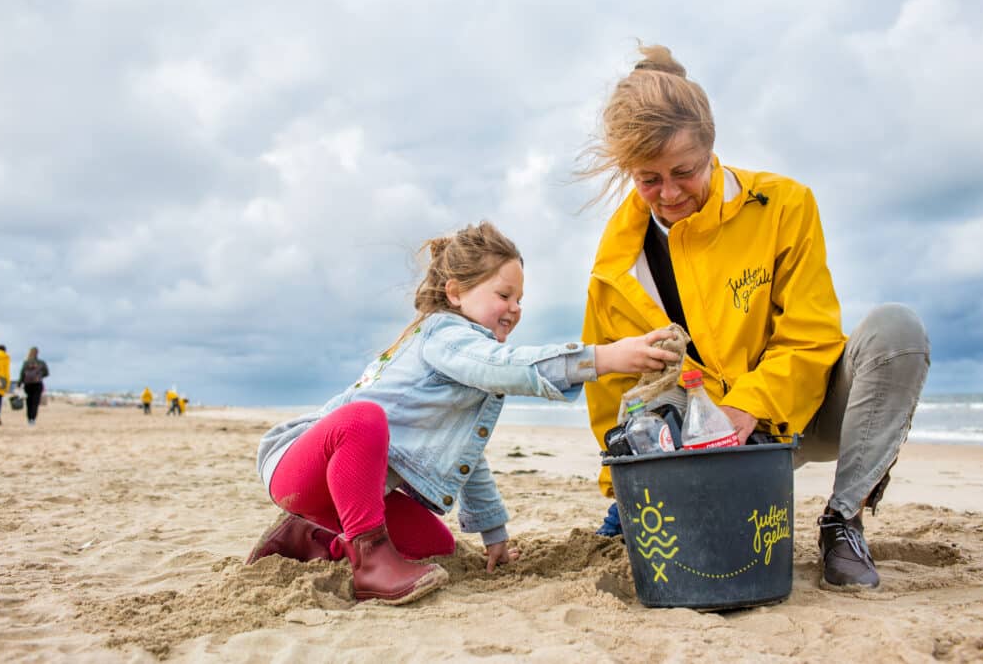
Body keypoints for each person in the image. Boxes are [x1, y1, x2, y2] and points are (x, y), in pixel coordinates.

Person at [578, 44, 930, 591]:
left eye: (683, 172)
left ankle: (842, 521)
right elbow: (613, 388)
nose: (668, 194)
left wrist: (749, 406)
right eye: (648, 179)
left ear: (711, 148)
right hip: (704, 451)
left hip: (801, 414)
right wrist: (622, 490)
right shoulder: (616, 263)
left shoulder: (786, 204)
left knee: (897, 330)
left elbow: (812, 336)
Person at [246, 221, 678, 605]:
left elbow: (469, 459)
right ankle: (371, 564)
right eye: (504, 294)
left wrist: (494, 534)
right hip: (299, 463)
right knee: (364, 418)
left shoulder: (472, 366)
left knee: (436, 544)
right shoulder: (445, 335)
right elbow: (506, 367)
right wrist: (601, 358)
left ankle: (314, 537)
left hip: (348, 493)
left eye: (520, 298)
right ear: (455, 292)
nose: (515, 308)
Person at [16, 347, 50, 426]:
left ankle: (29, 418)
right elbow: (47, 373)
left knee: (29, 402)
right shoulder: (41, 362)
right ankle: (33, 419)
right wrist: (40, 376)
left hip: (28, 384)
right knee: (35, 402)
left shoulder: (26, 362)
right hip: (37, 383)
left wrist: (19, 384)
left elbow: (22, 374)